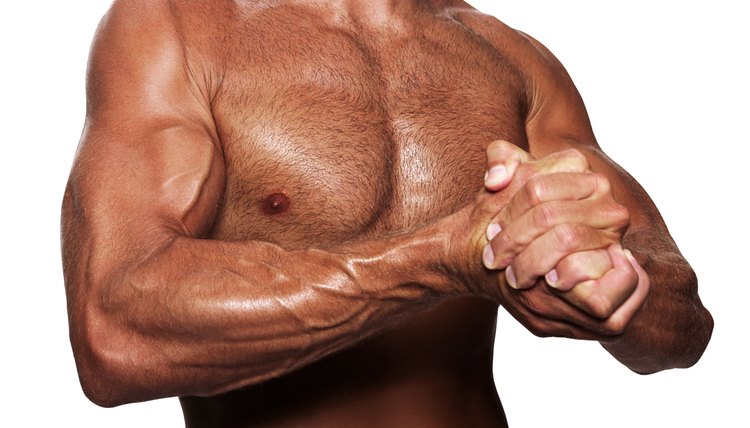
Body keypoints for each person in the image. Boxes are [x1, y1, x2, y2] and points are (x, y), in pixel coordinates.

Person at [61, 0, 713, 426]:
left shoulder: (512, 58)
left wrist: (609, 284)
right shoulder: (173, 30)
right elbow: (113, 332)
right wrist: (439, 261)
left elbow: (683, 320)